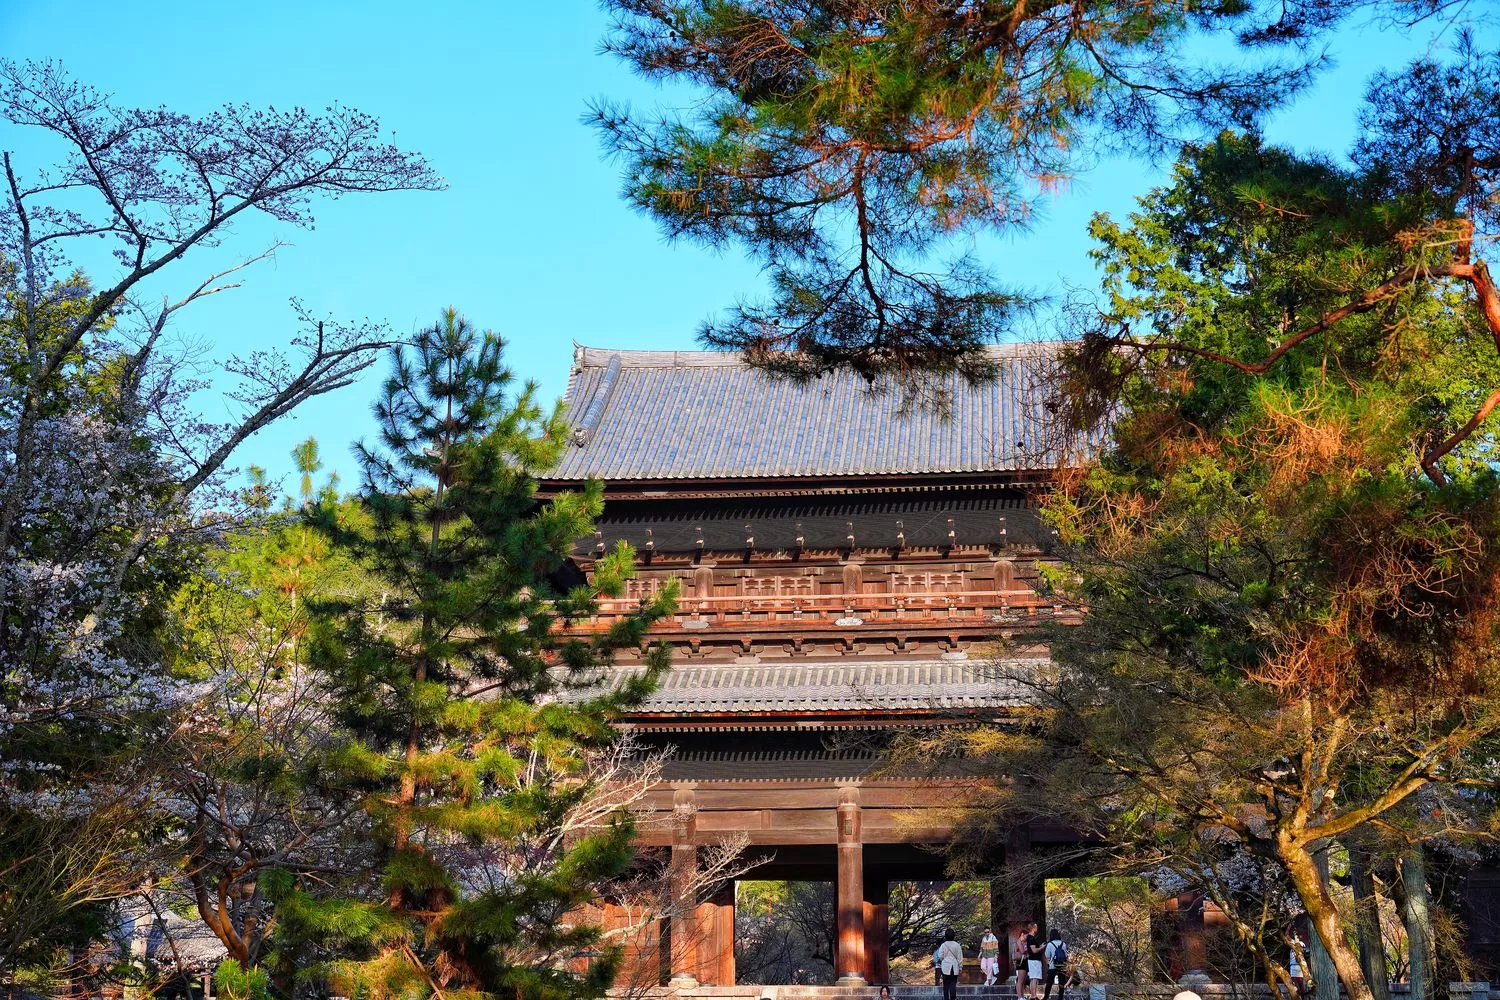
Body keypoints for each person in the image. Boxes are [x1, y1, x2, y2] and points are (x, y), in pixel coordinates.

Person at [936, 926, 965, 1000]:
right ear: (953, 936)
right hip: (954, 967)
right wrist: (960, 966)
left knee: (945, 985)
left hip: (945, 967)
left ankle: (946, 998)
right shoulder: (957, 945)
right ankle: (953, 998)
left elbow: (940, 956)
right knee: (953, 984)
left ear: (945, 936)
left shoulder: (943, 945)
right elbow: (960, 957)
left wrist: (944, 959)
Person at [1042, 928, 1071, 1000]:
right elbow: (1066, 955)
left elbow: (1047, 956)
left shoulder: (1050, 944)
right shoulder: (1063, 944)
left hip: (1053, 965)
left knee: (1049, 983)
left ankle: (1046, 997)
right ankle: (1060, 997)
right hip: (1062, 965)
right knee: (1061, 982)